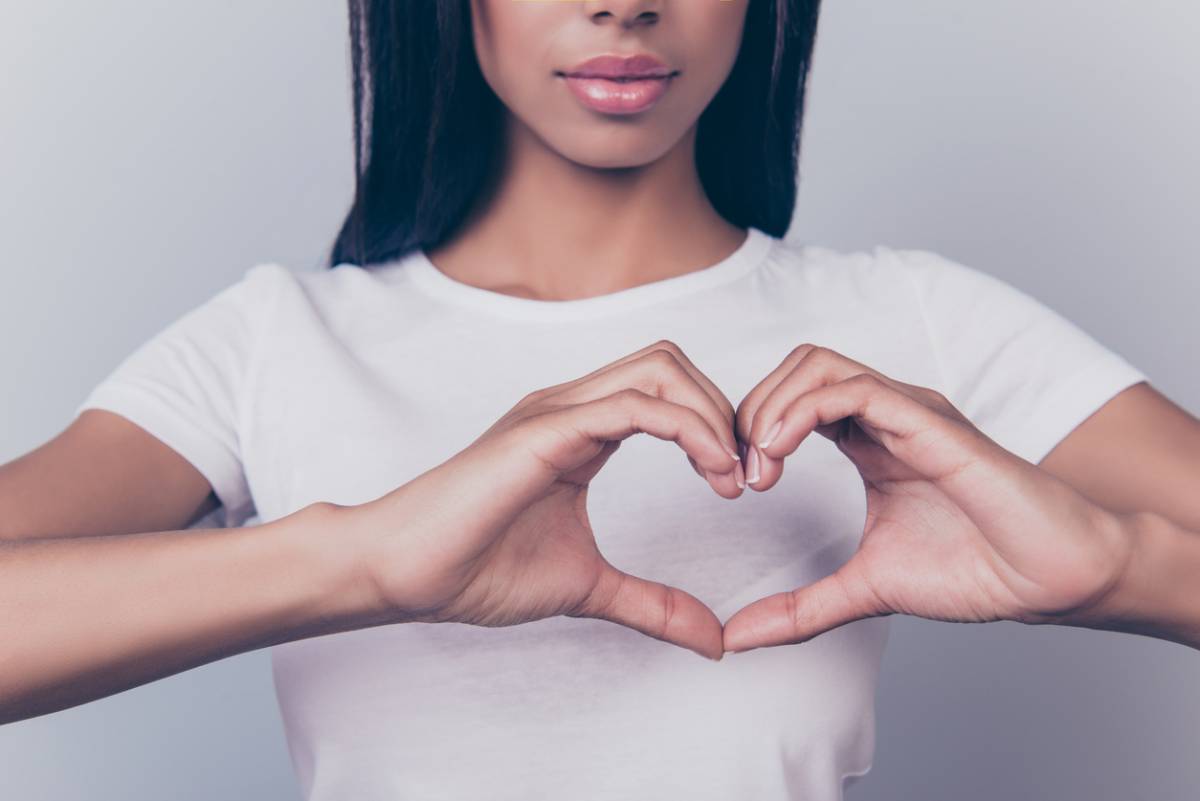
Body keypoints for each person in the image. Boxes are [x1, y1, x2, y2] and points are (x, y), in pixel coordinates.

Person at [1, 0, 1197, 798]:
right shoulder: (278, 341)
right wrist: (359, 561)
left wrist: (1116, 568)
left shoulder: (918, 329)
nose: (624, 0)